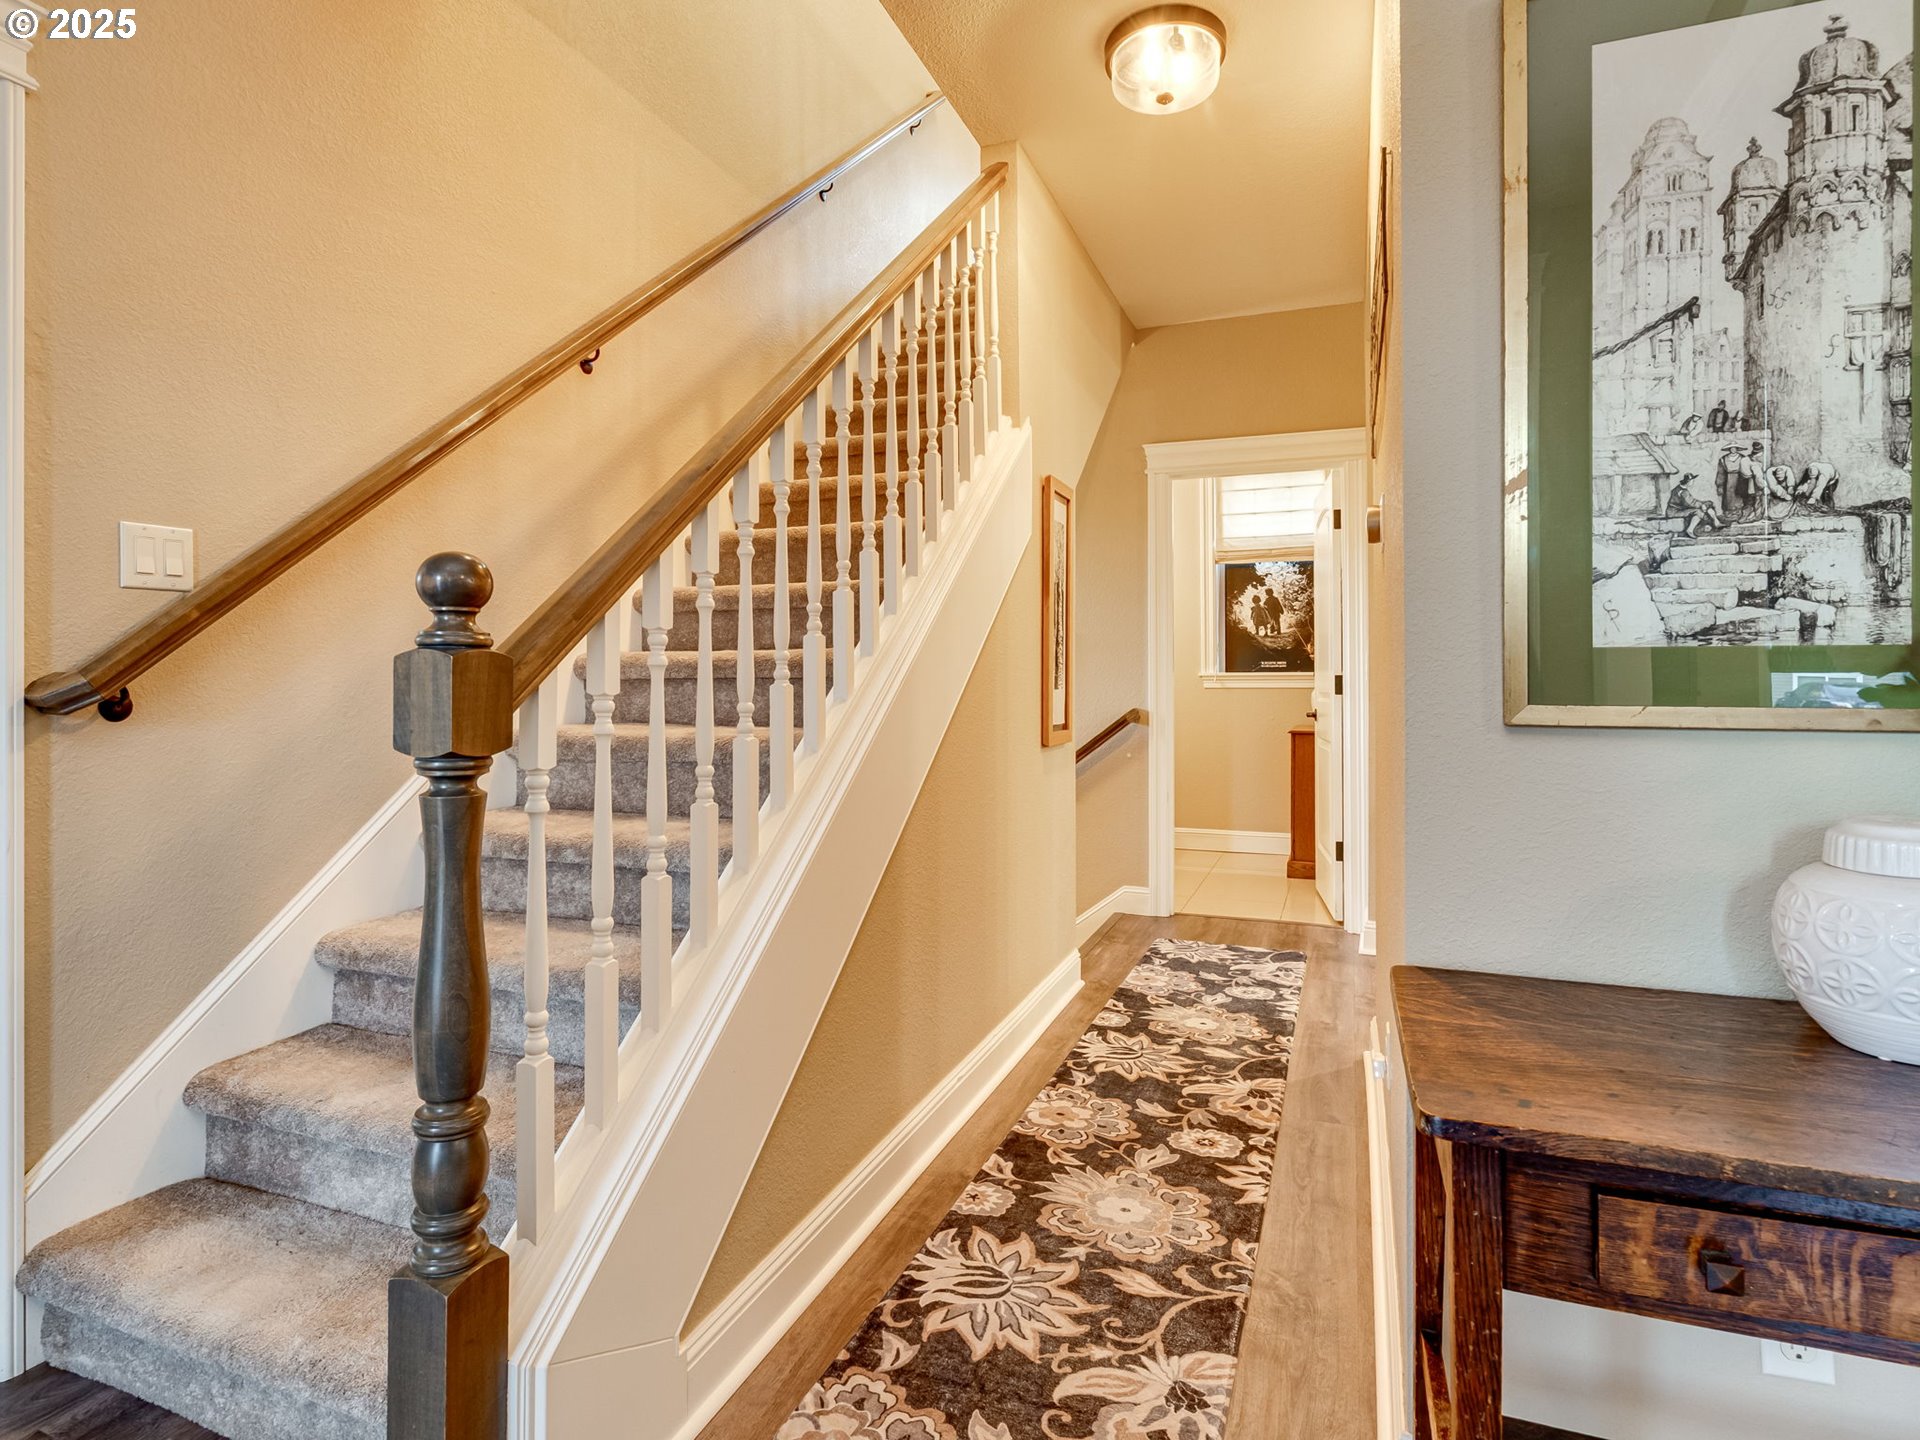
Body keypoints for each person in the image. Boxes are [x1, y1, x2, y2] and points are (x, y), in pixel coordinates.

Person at [1666, 471, 1723, 538]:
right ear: (1689, 481)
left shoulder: (1680, 489)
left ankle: (1716, 522)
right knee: (1698, 511)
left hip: (1678, 510)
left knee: (1704, 508)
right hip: (1674, 512)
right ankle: (1690, 530)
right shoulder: (1683, 492)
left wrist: (1704, 504)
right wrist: (1703, 505)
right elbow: (1692, 503)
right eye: (1692, 480)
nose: (1693, 482)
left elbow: (1692, 502)